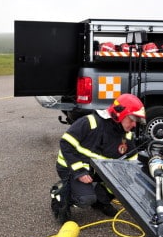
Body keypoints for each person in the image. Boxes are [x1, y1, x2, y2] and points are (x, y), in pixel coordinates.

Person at [51, 94, 146, 223]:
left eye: (137, 121)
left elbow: (132, 162)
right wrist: (79, 172)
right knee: (86, 198)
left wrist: (133, 180)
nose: (134, 124)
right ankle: (60, 195)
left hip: (96, 170)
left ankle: (101, 202)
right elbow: (65, 143)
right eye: (132, 119)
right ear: (120, 114)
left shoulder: (126, 136)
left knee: (123, 183)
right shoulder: (90, 122)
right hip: (71, 168)